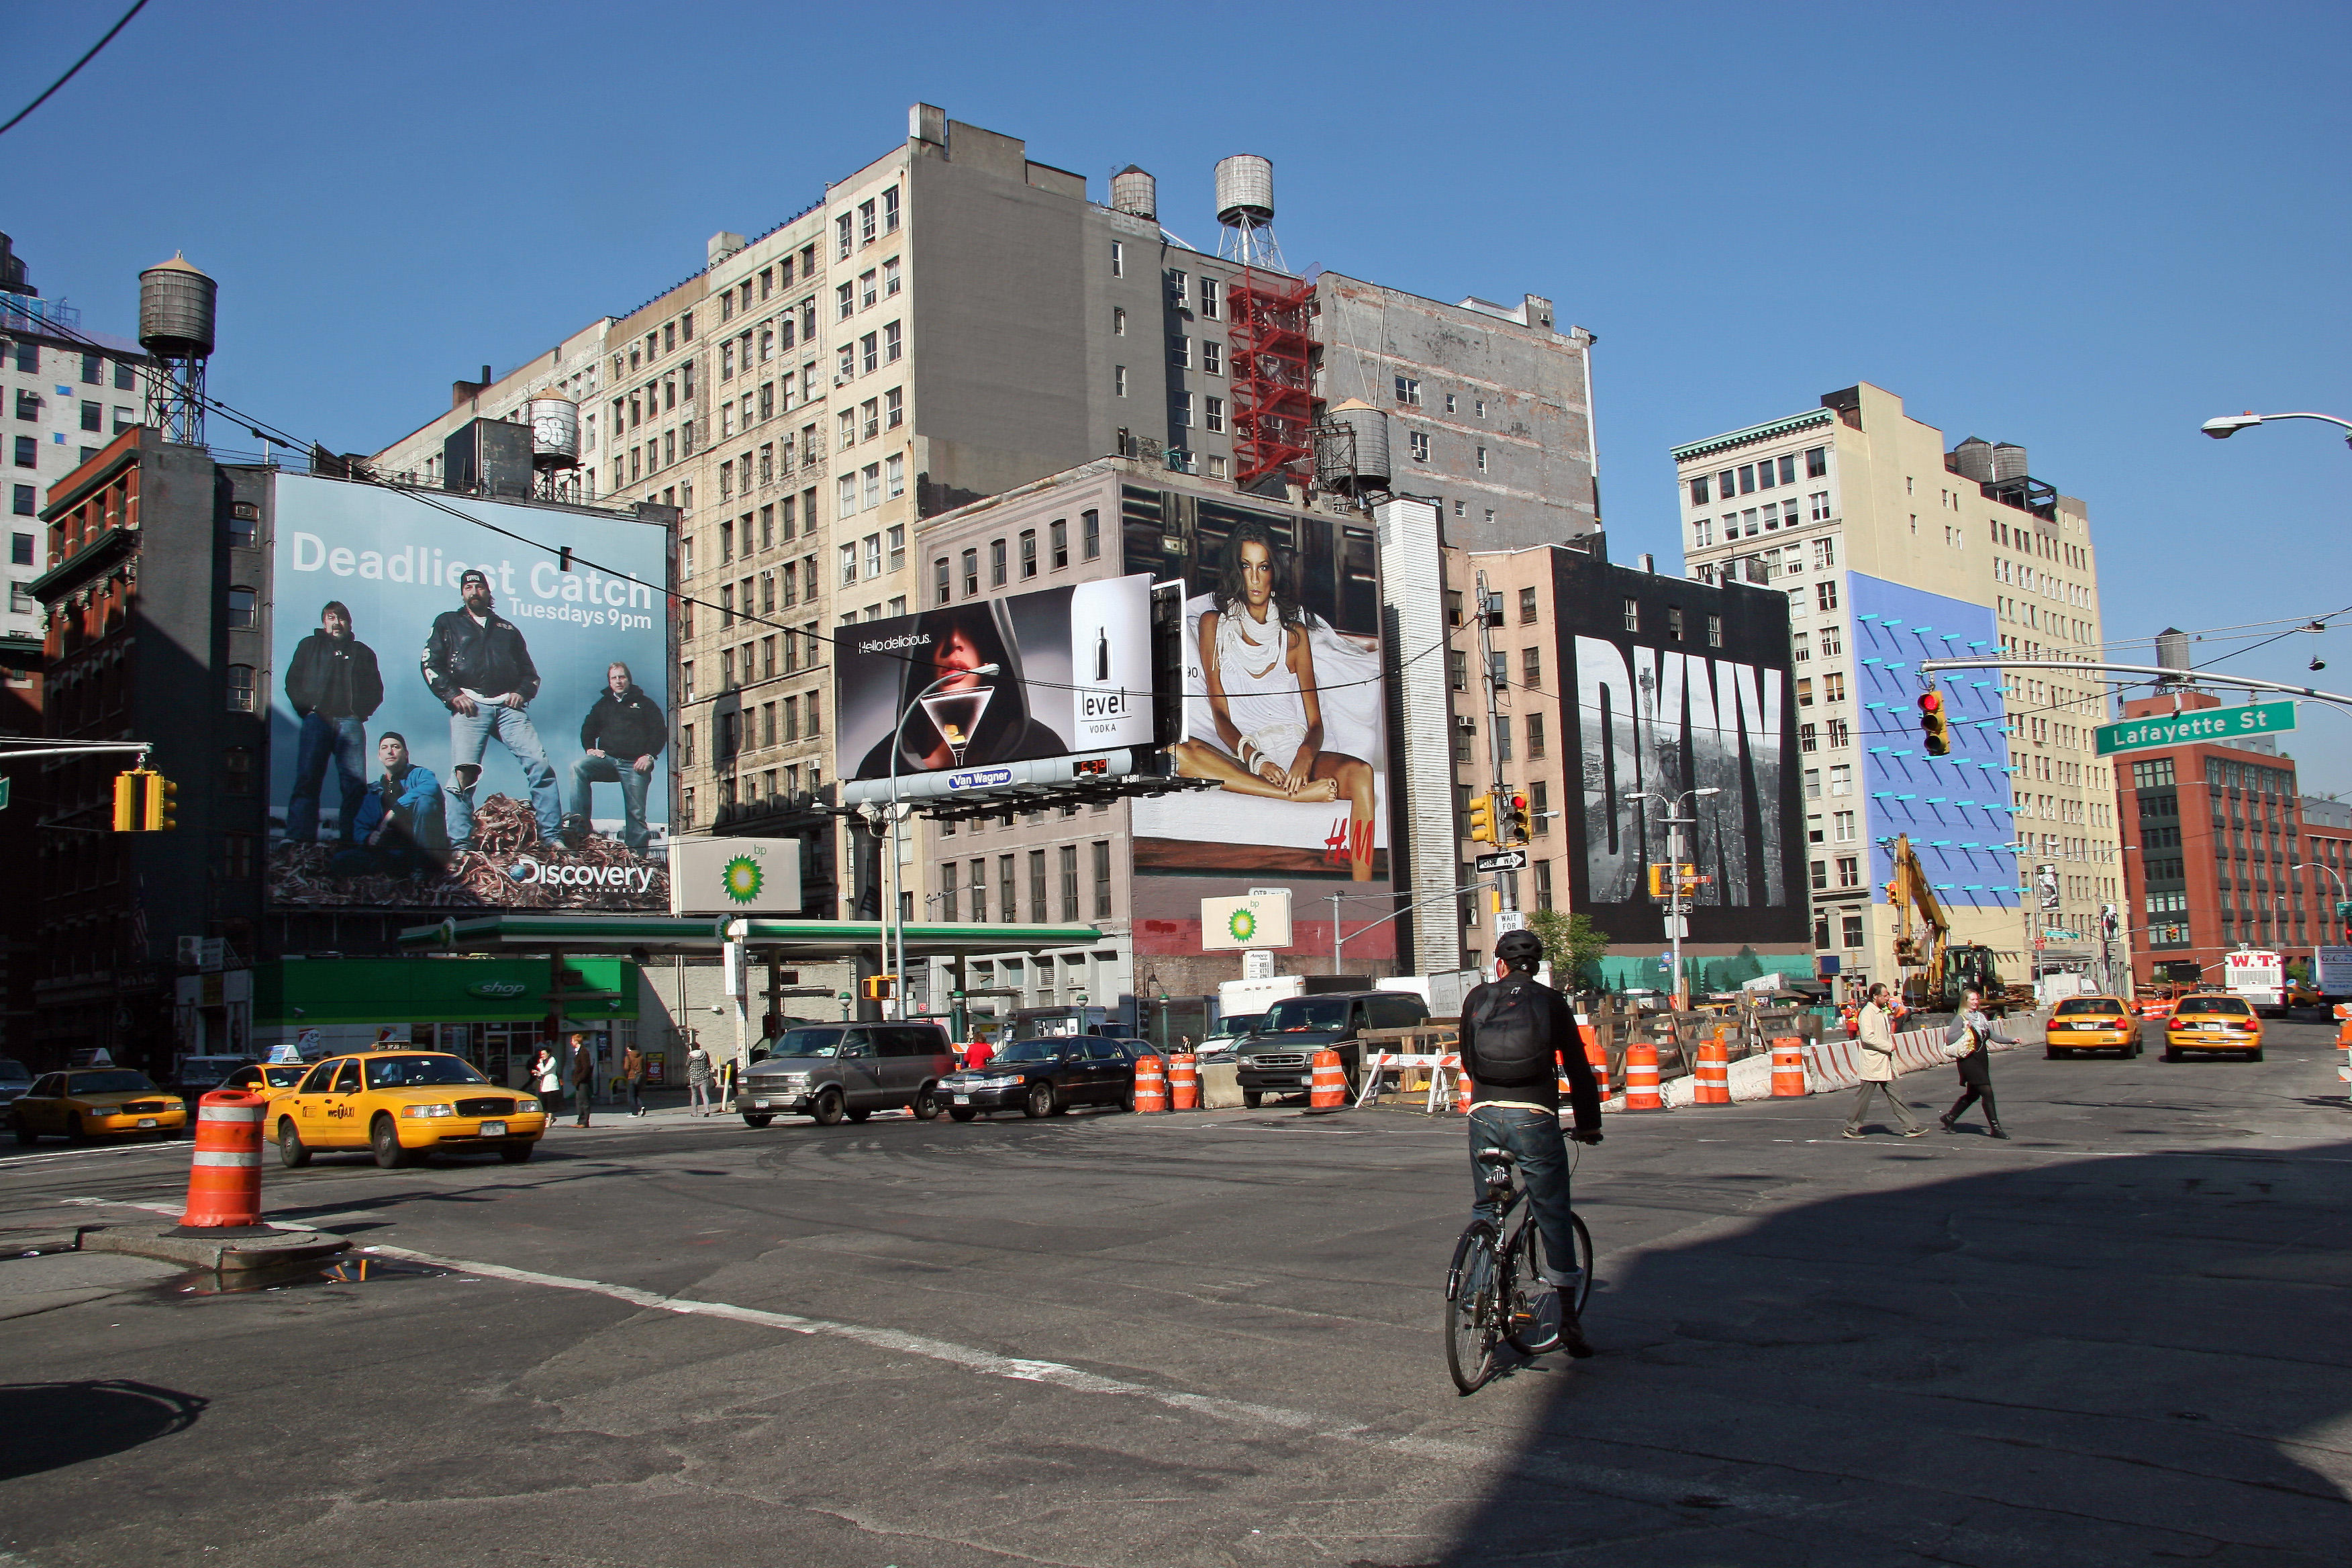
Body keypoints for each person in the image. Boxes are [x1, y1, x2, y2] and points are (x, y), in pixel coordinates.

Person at [1171, 522, 1377, 881]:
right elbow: (1220, 713)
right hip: (1248, 752)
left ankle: (1364, 886)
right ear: (1235, 571)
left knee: (1362, 774)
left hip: (1295, 750)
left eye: (1263, 567)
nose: (1254, 578)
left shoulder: (1294, 635)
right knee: (1178, 752)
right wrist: (1256, 757)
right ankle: (1290, 796)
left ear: (1273, 573)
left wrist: (1303, 758)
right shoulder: (1212, 624)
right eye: (1246, 566)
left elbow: (1315, 723)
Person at [1459, 928, 1604, 1358]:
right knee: (1551, 1208)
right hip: (1534, 1119)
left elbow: (1469, 1058)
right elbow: (1578, 1068)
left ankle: (1476, 1292)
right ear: (1536, 966)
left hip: (1484, 1116)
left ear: (1499, 965)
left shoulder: (1476, 999)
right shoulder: (1551, 1001)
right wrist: (1588, 1124)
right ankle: (1569, 1319)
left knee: (1489, 1205)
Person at [422, 568, 560, 850]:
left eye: (480, 587)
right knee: (464, 774)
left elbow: (530, 673)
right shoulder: (448, 622)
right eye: (468, 588)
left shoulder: (507, 630)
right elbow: (429, 663)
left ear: (488, 591)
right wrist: (452, 694)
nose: (474, 592)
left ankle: (553, 837)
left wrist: (522, 693)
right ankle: (460, 845)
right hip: (470, 705)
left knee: (540, 764)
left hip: (507, 707)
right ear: (463, 593)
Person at [283, 601, 385, 846]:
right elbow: (292, 680)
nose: (336, 623)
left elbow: (376, 689)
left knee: (354, 785)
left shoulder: (363, 651)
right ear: (324, 622)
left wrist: (360, 713)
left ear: (349, 623)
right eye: (331, 618)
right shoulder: (309, 646)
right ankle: (299, 838)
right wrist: (307, 710)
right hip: (318, 720)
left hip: (349, 722)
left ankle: (353, 839)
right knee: (308, 778)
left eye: (341, 618)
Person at [567, 661, 666, 851]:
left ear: (629, 679)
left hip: (635, 764)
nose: (619, 681)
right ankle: (579, 830)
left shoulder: (645, 704)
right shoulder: (603, 705)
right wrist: (590, 748)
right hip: (608, 760)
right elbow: (588, 728)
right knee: (578, 767)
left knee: (636, 813)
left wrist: (649, 756)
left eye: (622, 677)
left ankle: (637, 857)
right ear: (609, 682)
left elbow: (659, 732)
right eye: (614, 678)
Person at [330, 733, 448, 878]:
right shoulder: (374, 791)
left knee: (425, 802)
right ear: (380, 756)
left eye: (395, 747)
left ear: (405, 754)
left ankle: (424, 869)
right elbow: (361, 826)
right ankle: (394, 872)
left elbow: (432, 788)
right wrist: (368, 837)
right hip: (390, 852)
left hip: (421, 850)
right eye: (384, 748)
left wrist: (396, 809)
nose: (390, 751)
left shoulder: (420, 775)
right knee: (341, 860)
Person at [1842, 983, 1927, 1139]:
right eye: (1885, 995)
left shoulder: (1880, 1012)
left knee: (1896, 1096)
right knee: (1864, 1098)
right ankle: (1851, 1127)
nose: (1888, 998)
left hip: (1884, 1062)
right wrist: (1888, 1046)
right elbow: (1868, 1038)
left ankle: (1911, 1126)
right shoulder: (1867, 1013)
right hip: (1873, 1063)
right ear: (1875, 996)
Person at [1942, 989, 2020, 1138]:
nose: (1975, 1002)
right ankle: (1995, 1128)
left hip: (1982, 1058)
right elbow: (1949, 1039)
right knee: (1987, 1092)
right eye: (1972, 1000)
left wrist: (2011, 1040)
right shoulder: (1961, 1018)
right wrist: (1964, 1029)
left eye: (1977, 999)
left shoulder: (1981, 1017)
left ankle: (1949, 1118)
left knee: (1973, 1094)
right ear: (1965, 1001)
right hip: (1969, 1060)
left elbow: (1992, 1035)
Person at [569, 1032, 597, 1127]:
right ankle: (580, 1121)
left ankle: (585, 1122)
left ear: (576, 1041)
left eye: (572, 1040)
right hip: (579, 1081)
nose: (571, 1042)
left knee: (584, 1101)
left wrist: (580, 1078)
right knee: (579, 1101)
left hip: (583, 1081)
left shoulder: (584, 1052)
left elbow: (586, 1068)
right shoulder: (577, 1051)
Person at [530, 1044, 562, 1120]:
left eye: (544, 1054)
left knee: (550, 1105)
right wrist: (537, 1073)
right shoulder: (543, 1062)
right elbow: (542, 1074)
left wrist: (540, 1064)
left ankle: (550, 1120)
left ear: (548, 1054)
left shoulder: (552, 1060)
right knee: (544, 1104)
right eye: (541, 1054)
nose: (542, 1056)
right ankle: (550, 1118)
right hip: (544, 1086)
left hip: (551, 1085)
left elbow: (545, 1071)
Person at [685, 1040, 714, 1116]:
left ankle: (694, 1113)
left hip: (694, 1078)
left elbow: (687, 1064)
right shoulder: (704, 1054)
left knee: (694, 1095)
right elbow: (708, 1064)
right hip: (703, 1077)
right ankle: (707, 1111)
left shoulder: (690, 1056)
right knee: (705, 1095)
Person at [622, 1041, 647, 1117]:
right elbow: (644, 1066)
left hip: (632, 1077)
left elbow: (626, 1067)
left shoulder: (628, 1057)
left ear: (628, 1049)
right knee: (636, 1094)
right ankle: (641, 1106)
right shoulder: (641, 1056)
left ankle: (634, 1113)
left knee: (632, 1096)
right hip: (640, 1077)